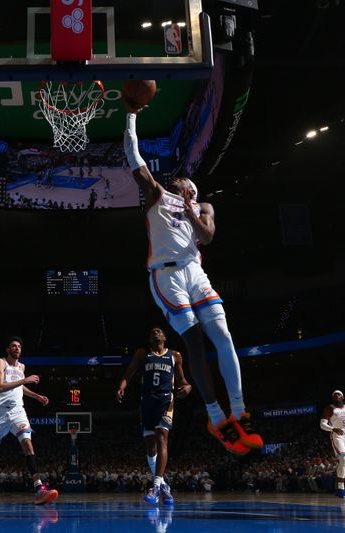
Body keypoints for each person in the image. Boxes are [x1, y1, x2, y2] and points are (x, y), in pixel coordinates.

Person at [122, 101, 263, 455]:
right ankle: (216, 418)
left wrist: (190, 212)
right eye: (173, 180)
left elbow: (207, 237)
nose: (174, 180)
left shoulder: (204, 208)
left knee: (224, 337)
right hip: (165, 276)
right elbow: (133, 156)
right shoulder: (156, 195)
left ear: (192, 188)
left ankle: (239, 411)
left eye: (180, 180)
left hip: (195, 271)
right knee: (195, 343)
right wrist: (131, 115)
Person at [0, 336, 58, 504]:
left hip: (17, 411)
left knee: (28, 444)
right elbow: (0, 386)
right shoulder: (0, 362)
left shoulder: (21, 366)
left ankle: (38, 488)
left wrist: (36, 396)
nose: (17, 348)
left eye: (19, 347)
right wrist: (25, 379)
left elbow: (20, 386)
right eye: (13, 346)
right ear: (7, 349)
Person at [116, 326, 191, 505]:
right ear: (150, 339)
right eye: (152, 333)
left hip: (165, 400)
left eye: (158, 331)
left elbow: (183, 381)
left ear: (165, 337)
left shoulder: (175, 356)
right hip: (146, 401)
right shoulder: (142, 354)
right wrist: (121, 386)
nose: (155, 333)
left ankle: (156, 485)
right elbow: (129, 373)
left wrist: (187, 388)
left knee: (161, 437)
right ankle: (164, 485)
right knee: (151, 448)